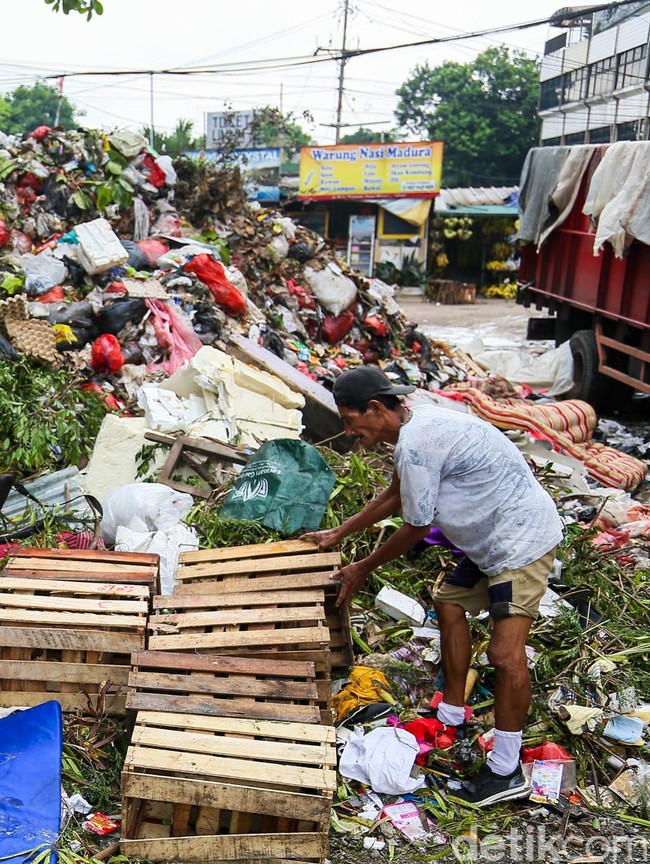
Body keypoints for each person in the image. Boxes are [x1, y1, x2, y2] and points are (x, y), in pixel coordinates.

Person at [301, 366, 563, 807]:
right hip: (487, 541)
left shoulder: (418, 443)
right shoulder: (414, 429)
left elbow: (417, 526)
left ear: (375, 408)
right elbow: (395, 495)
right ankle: (452, 715)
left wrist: (362, 568)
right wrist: (338, 534)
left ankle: (506, 769)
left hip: (519, 543)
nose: (348, 433)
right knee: (448, 603)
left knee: (504, 654)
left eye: (349, 420)